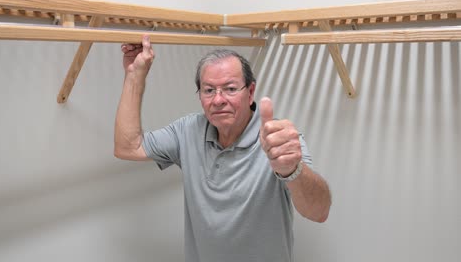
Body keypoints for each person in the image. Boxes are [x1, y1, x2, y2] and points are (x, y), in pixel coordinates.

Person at [114, 35, 331, 262]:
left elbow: (319, 212)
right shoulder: (188, 130)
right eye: (208, 90)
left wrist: (292, 170)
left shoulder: (278, 140)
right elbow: (128, 147)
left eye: (230, 88)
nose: (218, 100)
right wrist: (134, 75)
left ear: (250, 92)